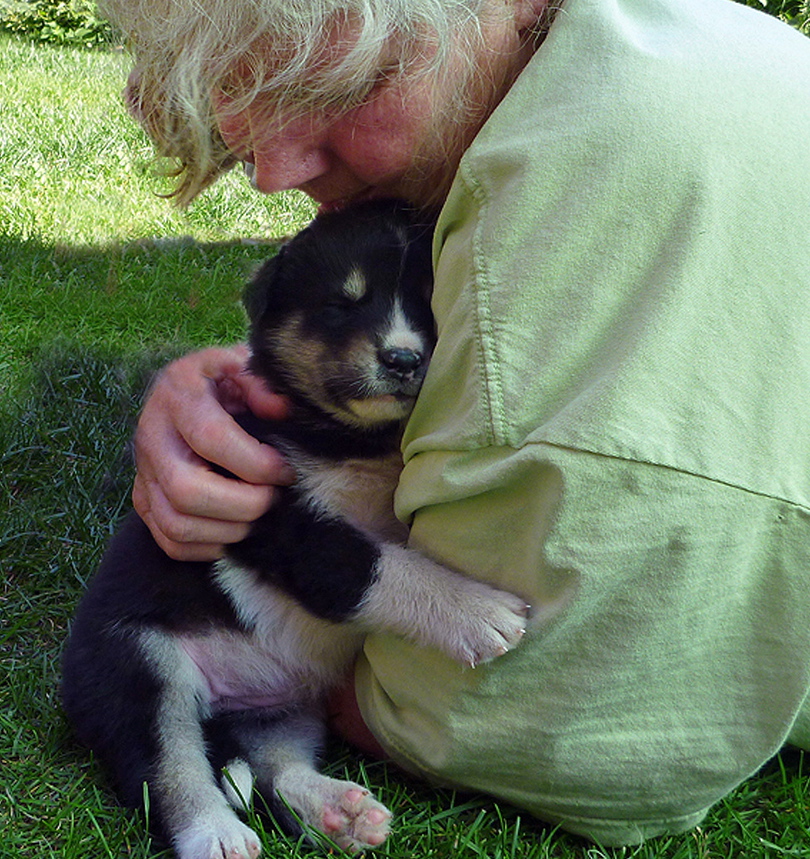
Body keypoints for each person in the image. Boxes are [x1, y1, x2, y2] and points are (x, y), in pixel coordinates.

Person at [99, 0, 810, 846]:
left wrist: (296, 666)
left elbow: (558, 732)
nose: (270, 169)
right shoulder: (660, 43)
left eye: (344, 82)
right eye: (244, 92)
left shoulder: (575, 189)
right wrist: (236, 383)